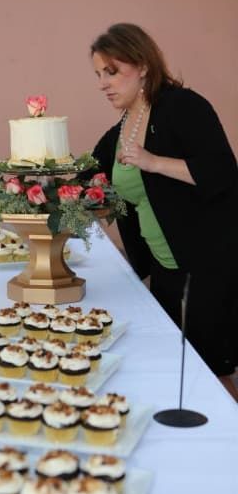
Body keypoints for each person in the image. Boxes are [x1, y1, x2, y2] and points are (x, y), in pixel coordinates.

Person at [87, 23, 238, 400]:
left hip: (207, 265)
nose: (103, 83)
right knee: (180, 374)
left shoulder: (183, 107)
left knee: (211, 374)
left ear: (143, 67)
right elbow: (89, 180)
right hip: (165, 268)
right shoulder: (120, 129)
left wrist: (154, 162)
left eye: (112, 71)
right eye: (98, 75)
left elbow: (222, 173)